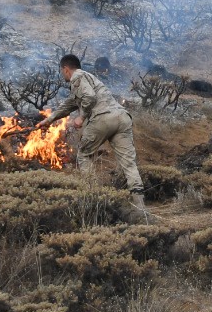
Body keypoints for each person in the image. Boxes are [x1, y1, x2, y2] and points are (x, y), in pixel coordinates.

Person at [37, 55, 146, 212]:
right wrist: (50, 119)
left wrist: (81, 117)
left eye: (62, 72)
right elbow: (70, 104)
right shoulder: (88, 78)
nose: (63, 75)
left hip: (102, 119)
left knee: (84, 156)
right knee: (129, 164)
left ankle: (94, 199)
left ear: (65, 69)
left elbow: (89, 97)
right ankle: (141, 209)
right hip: (122, 118)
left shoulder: (77, 76)